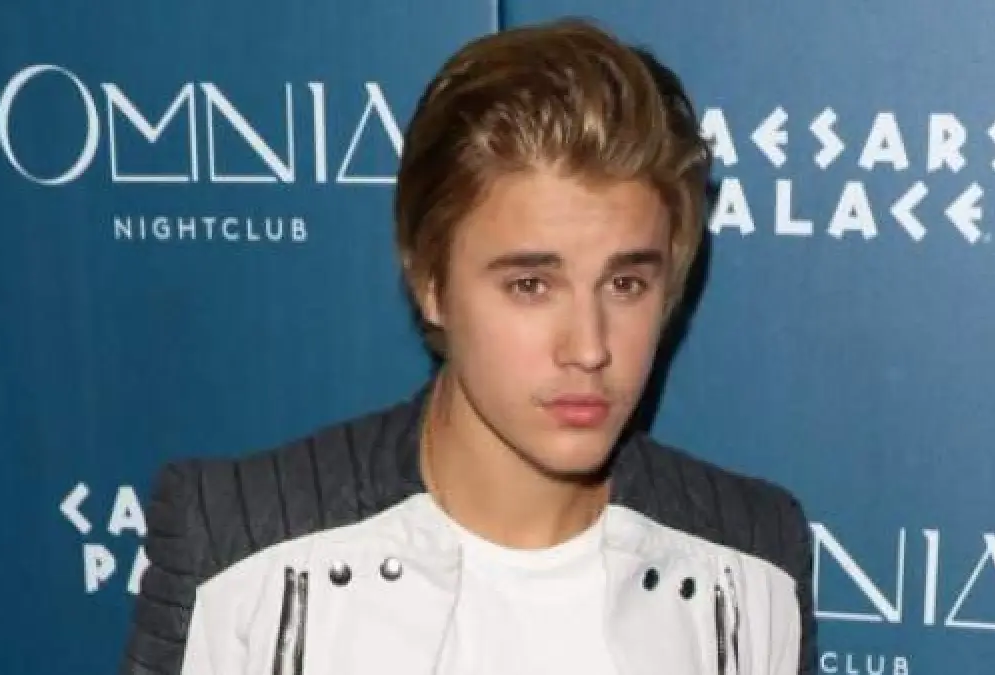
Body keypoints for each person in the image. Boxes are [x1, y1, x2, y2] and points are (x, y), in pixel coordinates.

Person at [119, 17, 816, 675]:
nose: (589, 347)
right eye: (531, 285)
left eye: (625, 283)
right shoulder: (238, 544)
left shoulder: (754, 556)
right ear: (431, 283)